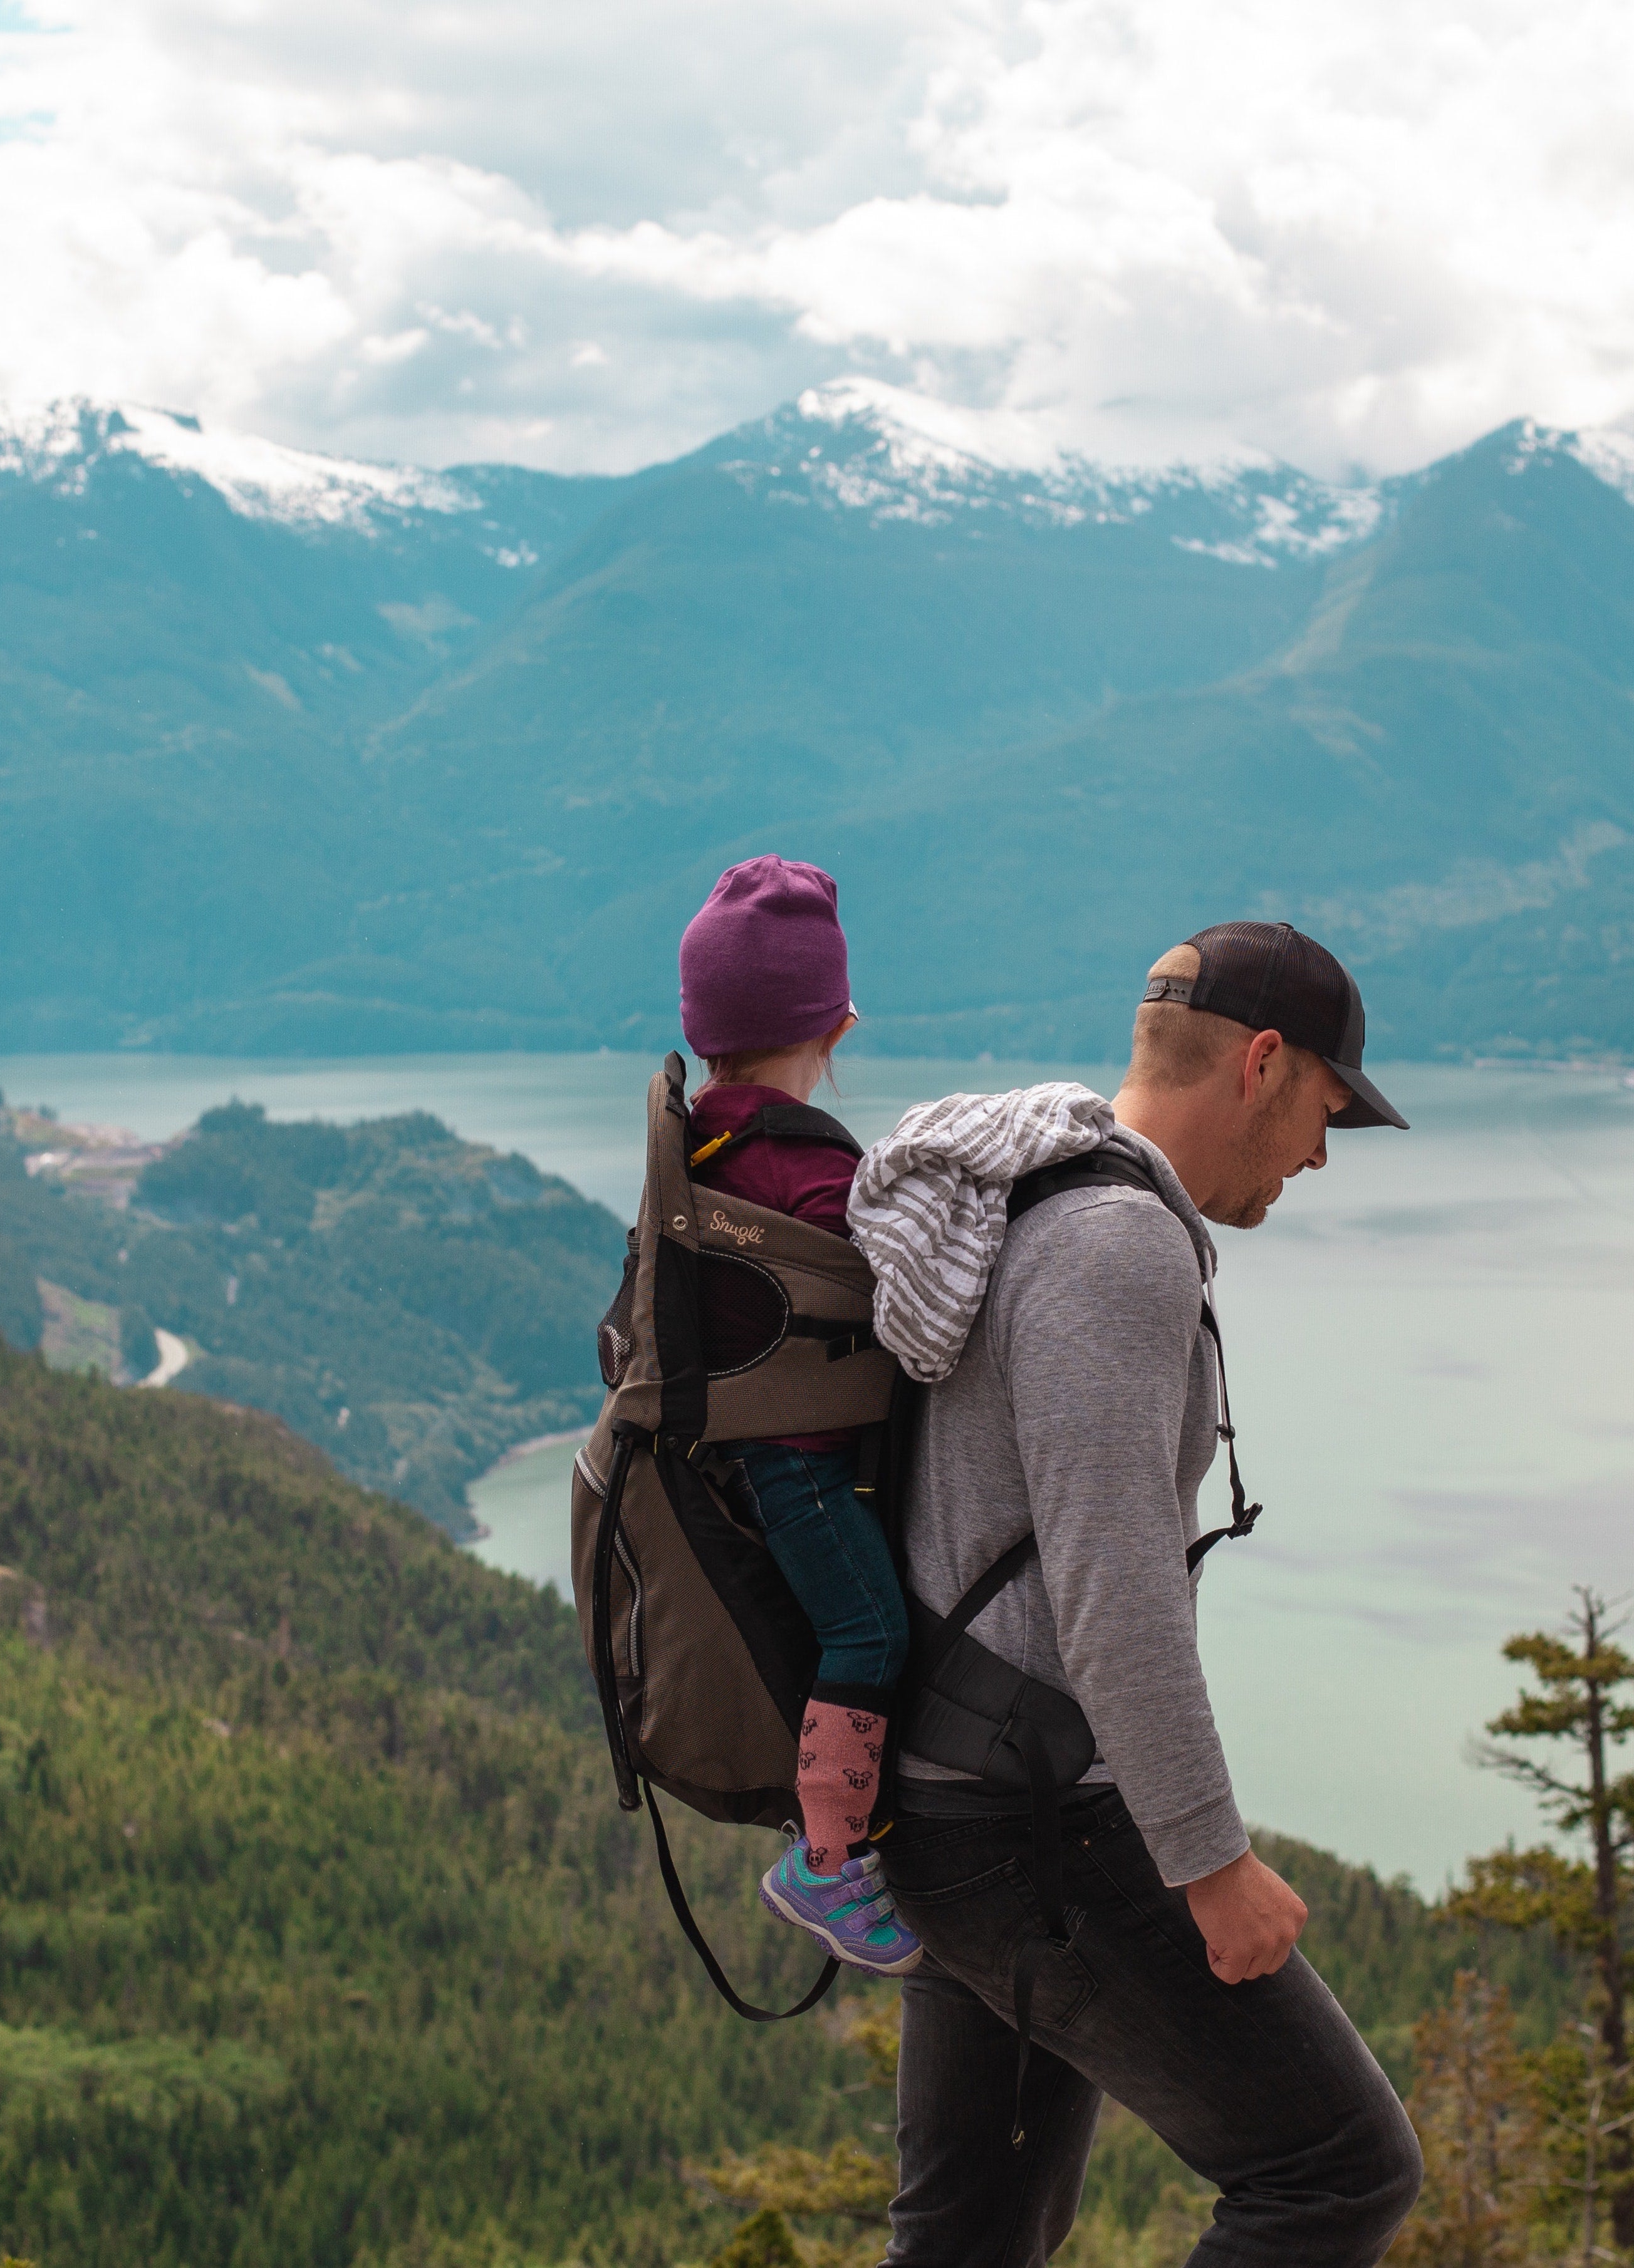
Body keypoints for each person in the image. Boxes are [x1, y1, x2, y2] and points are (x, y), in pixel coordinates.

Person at [852, 921, 1425, 2268]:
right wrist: (1209, 1863)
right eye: (1326, 1114)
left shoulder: (1025, 1191)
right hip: (1036, 1829)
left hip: (945, 1800)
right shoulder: (1119, 1244)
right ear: (1264, 1064)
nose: (1320, 1157)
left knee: (967, 2239)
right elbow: (1115, 1596)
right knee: (1334, 2167)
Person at [675, 854, 923, 1979]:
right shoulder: (806, 1170)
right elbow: (898, 1293)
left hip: (741, 1452)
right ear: (828, 1025)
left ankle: (835, 1823)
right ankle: (827, 1859)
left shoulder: (705, 1141)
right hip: (804, 1466)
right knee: (869, 1632)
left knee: (848, 1628)